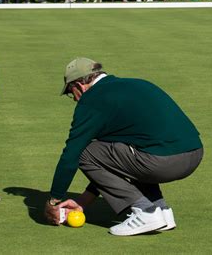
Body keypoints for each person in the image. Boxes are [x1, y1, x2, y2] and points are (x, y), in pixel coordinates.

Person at [44, 58, 203, 236]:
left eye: (70, 92)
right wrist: (83, 201)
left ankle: (146, 212)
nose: (73, 98)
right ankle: (161, 211)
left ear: (80, 85)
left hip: (162, 162)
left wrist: (54, 200)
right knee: (131, 148)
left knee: (85, 152)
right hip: (194, 154)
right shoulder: (137, 84)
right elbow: (115, 164)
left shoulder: (92, 100)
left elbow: (72, 154)